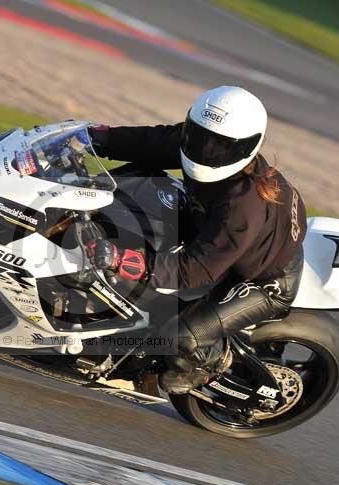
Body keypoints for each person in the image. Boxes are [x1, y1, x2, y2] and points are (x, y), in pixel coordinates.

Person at [87, 86, 307, 394]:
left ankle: (210, 363)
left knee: (179, 338)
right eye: (200, 137)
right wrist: (98, 138)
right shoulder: (197, 143)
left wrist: (122, 260)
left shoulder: (244, 205)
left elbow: (197, 271)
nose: (206, 151)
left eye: (220, 146)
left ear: (248, 147)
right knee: (138, 185)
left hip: (261, 280)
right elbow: (152, 142)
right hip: (211, 231)